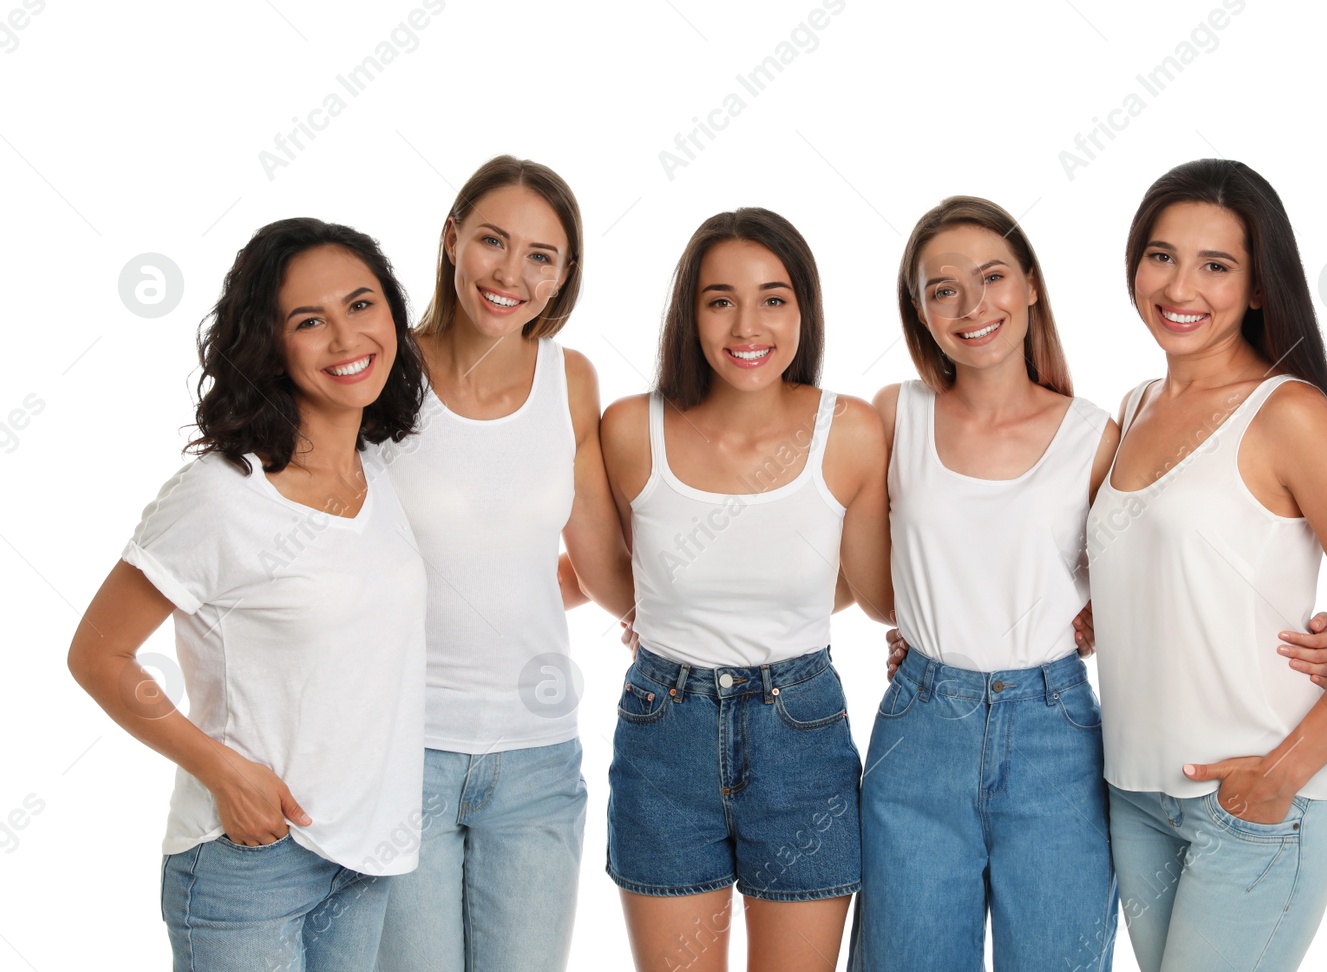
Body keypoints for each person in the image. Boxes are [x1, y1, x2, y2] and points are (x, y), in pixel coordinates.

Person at [851, 196, 1327, 972]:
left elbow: (1160, 566)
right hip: (921, 724)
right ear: (917, 309)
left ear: (1032, 286)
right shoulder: (892, 415)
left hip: (1056, 734)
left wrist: (1303, 630)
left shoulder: (1096, 434)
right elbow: (866, 575)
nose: (972, 305)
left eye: (993, 277)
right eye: (942, 289)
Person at [1088, 159, 1327, 971]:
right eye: (1162, 255)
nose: (1181, 286)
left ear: (1255, 288)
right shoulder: (1134, 407)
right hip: (1135, 796)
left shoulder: (1288, 414)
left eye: (1217, 265)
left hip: (1251, 807)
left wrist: (1281, 774)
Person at [66, 218, 430, 971]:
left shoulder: (378, 471)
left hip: (362, 856)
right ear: (270, 342)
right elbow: (98, 654)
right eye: (308, 320)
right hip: (251, 860)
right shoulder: (220, 494)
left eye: (361, 306)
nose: (344, 337)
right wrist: (223, 772)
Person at [600, 208, 893, 972]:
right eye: (720, 299)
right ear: (690, 314)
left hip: (800, 732)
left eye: (773, 297)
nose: (747, 323)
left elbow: (877, 594)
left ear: (804, 310)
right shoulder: (633, 429)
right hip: (664, 731)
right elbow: (603, 568)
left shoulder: (852, 432)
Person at [377, 155, 632, 972]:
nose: (510, 273)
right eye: (493, 240)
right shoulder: (381, 372)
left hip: (535, 763)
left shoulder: (572, 381)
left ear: (563, 279)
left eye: (541, 256)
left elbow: (599, 569)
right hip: (398, 754)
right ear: (453, 240)